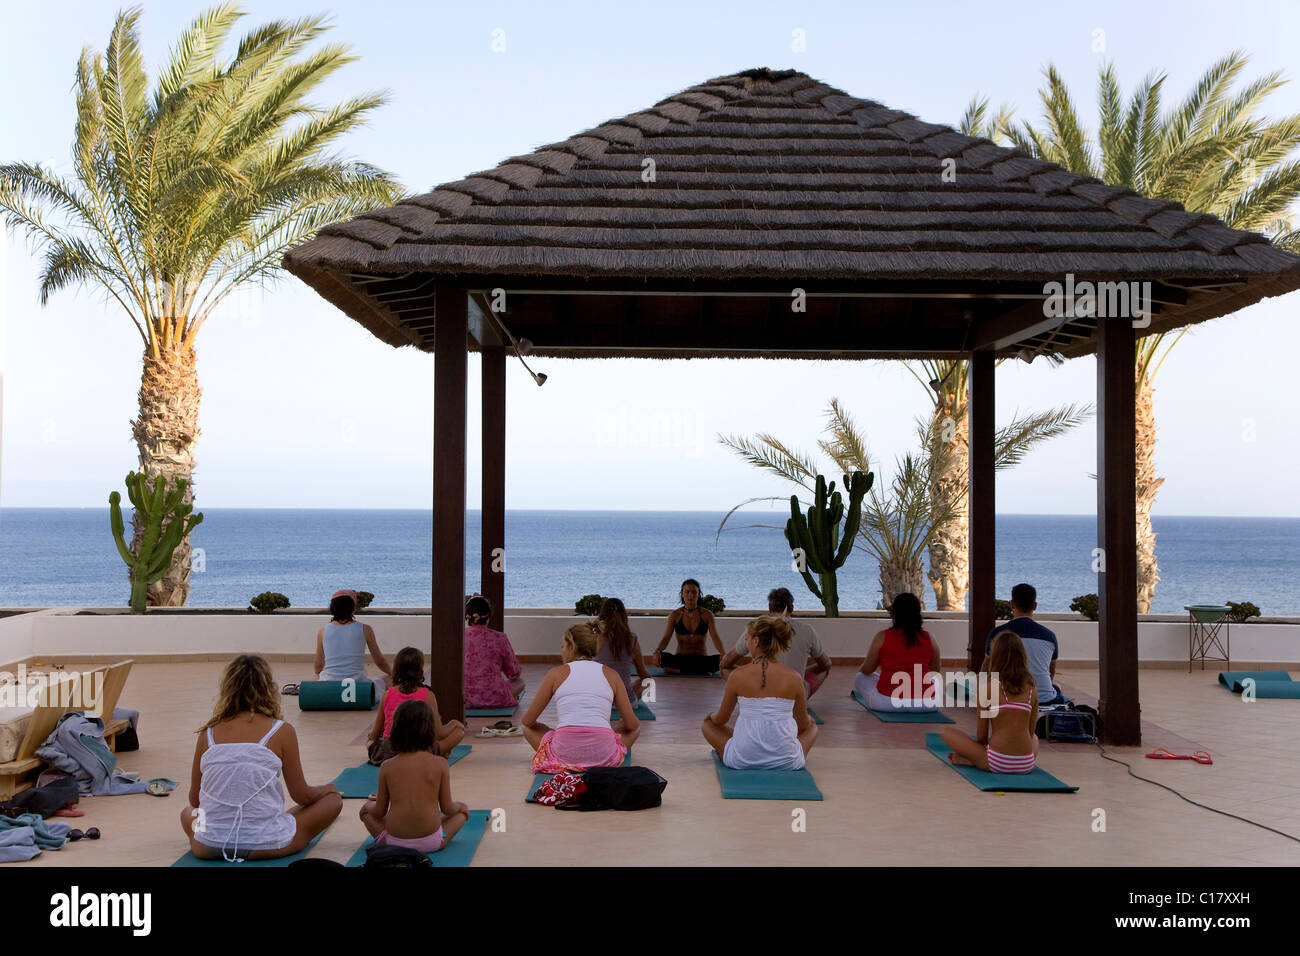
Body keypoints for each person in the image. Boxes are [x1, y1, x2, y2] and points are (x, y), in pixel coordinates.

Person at [181, 655, 342, 861]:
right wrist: (326, 789)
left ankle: (218, 836)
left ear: (227, 689)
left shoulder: (208, 733)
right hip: (267, 844)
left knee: (188, 813)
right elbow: (302, 795)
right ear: (268, 688)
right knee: (333, 801)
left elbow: (195, 800)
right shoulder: (282, 731)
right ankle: (270, 825)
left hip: (207, 845)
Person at [702, 615, 818, 770]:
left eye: (747, 639)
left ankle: (735, 750)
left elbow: (720, 720)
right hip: (787, 761)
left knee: (707, 725)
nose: (746, 643)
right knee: (813, 728)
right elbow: (804, 724)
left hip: (742, 759)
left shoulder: (737, 675)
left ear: (755, 641)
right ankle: (779, 751)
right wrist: (809, 719)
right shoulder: (794, 678)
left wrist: (710, 716)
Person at [523, 624, 640, 773]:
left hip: (564, 754)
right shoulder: (612, 674)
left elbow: (527, 721)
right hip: (604, 756)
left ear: (572, 647)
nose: (562, 653)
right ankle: (601, 752)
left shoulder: (555, 674)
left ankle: (565, 752)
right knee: (635, 729)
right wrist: (613, 729)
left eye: (562, 647)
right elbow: (632, 726)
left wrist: (557, 732)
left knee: (528, 729)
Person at [360, 700, 470, 854]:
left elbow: (379, 811)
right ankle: (442, 835)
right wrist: (461, 806)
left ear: (396, 730)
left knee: (366, 814)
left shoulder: (387, 766)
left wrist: (367, 806)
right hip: (432, 841)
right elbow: (448, 808)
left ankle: (384, 839)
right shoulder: (440, 764)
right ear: (430, 731)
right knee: (461, 814)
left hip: (393, 842)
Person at [940, 630, 1040, 773]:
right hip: (1026, 763)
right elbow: (1030, 734)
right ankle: (977, 759)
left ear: (995, 657)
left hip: (997, 762)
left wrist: (979, 751)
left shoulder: (988, 689)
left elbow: (981, 737)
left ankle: (974, 760)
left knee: (946, 732)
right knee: (1035, 738)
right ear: (1022, 657)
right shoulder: (1032, 690)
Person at [720, 587, 830, 696]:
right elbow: (825, 664)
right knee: (822, 669)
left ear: (769, 608)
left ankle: (749, 697)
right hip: (794, 693)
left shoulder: (756, 628)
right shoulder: (807, 630)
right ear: (791, 608)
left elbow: (728, 661)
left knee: (724, 668)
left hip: (759, 693)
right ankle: (797, 698)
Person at [366, 647, 465, 765]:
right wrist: (454, 723)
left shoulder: (388, 694)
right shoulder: (428, 695)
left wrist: (370, 741)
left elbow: (376, 734)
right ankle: (439, 752)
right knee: (459, 732)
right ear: (420, 670)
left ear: (397, 669)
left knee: (370, 742)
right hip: (421, 751)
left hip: (390, 752)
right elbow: (439, 733)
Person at [854, 592, 942, 710]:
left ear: (895, 614)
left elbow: (867, 670)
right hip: (926, 704)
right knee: (935, 679)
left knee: (860, 677)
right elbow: (935, 670)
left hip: (888, 703)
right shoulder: (930, 638)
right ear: (918, 613)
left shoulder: (882, 637)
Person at [985, 583, 1065, 705]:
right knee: (1056, 686)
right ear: (1035, 606)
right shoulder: (1049, 636)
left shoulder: (997, 634)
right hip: (1043, 699)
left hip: (1006, 699)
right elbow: (1051, 672)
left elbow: (986, 669)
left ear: (1012, 604)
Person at [314, 589, 390, 698]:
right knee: (388, 679)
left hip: (331, 683)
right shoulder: (365, 629)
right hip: (357, 684)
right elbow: (380, 661)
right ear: (353, 608)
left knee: (314, 677)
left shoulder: (323, 631)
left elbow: (318, 667)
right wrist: (394, 674)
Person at [463, 595, 525, 709]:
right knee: (520, 682)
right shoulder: (499, 637)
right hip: (495, 695)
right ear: (488, 616)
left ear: (467, 616)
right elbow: (513, 673)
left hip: (464, 697)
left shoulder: (458, 637)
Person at [653, 578, 725, 674]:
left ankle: (677, 671)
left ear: (698, 594)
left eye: (694, 592)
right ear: (682, 594)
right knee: (663, 658)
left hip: (701, 659)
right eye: (687, 592)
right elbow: (666, 638)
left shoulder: (707, 615)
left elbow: (715, 637)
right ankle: (702, 671)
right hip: (680, 659)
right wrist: (657, 651)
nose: (690, 595)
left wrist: (724, 654)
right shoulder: (675, 615)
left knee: (720, 660)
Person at [594, 597, 651, 706]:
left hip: (601, 703)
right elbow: (643, 674)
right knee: (647, 682)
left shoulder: (598, 638)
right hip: (626, 703)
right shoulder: (632, 640)